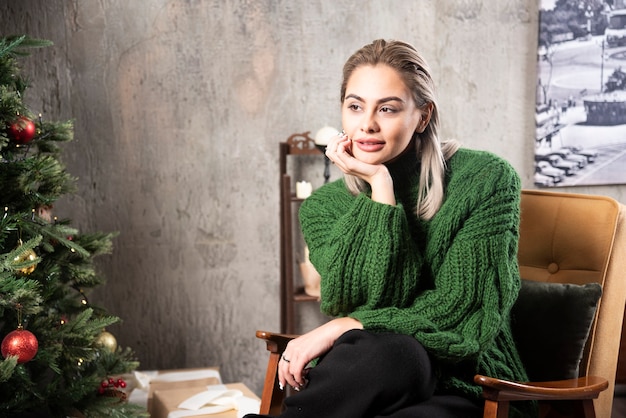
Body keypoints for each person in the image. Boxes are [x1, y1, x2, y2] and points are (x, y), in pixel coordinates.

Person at [246, 39, 533, 418]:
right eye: (355, 106)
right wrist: (381, 189)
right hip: (373, 380)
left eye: (387, 108)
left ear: (424, 116)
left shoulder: (486, 180)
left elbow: (464, 312)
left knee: (403, 353)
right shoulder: (322, 208)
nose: (367, 124)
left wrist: (349, 324)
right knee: (393, 353)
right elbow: (368, 303)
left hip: (472, 383)